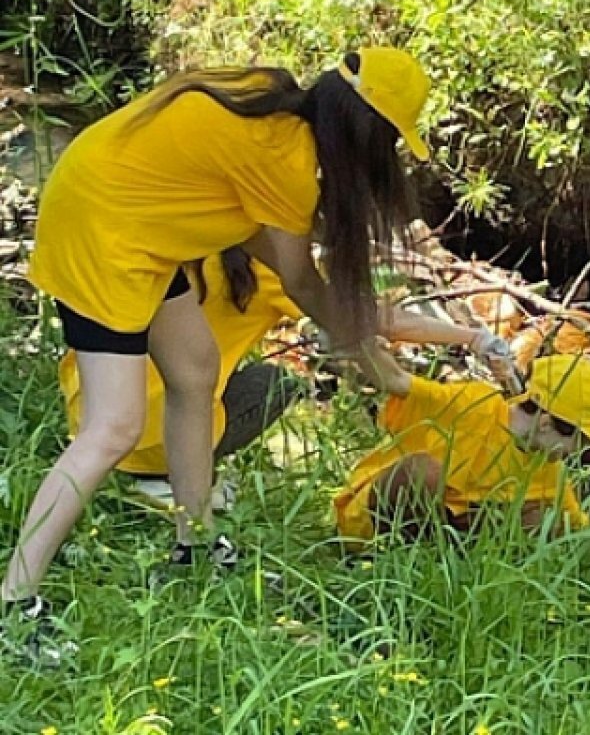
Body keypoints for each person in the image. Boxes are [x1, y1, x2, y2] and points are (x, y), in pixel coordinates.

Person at [2, 47, 430, 641]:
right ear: (369, 134)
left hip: (128, 217)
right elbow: (299, 280)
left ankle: (195, 546)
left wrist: (359, 336)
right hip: (104, 235)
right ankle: (14, 602)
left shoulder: (264, 94)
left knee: (195, 368)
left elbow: (256, 236)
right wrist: (362, 346)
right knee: (113, 426)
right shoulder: (287, 158)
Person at [58, 248, 510, 510]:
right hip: (157, 436)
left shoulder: (183, 244)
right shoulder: (268, 271)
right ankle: (167, 475)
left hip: (93, 416)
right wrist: (471, 337)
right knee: (277, 382)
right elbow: (370, 317)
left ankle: (146, 469)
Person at [334, 354, 590, 548]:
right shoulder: (471, 403)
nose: (574, 452)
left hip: (452, 537)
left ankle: (451, 574)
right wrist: (357, 334)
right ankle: (393, 562)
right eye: (577, 440)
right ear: (545, 422)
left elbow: (577, 531)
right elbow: (397, 380)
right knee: (422, 473)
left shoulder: (546, 467)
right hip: (376, 524)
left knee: (546, 520)